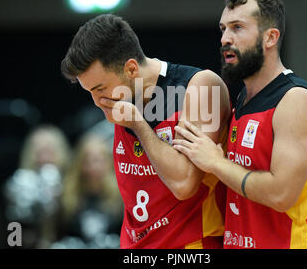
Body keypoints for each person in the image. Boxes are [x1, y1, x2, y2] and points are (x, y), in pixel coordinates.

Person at [173, 0, 307, 249]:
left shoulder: (296, 99)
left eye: (238, 27)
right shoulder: (242, 101)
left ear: (270, 37)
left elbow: (281, 193)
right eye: (223, 29)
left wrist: (216, 163)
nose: (225, 38)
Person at [61, 14, 231, 248]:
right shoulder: (124, 98)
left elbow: (184, 185)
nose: (97, 102)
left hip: (192, 246)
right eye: (90, 91)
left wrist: (138, 123)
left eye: (101, 89)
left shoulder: (201, 86)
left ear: (131, 69)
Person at [51, 132, 122, 248]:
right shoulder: (66, 194)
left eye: (98, 160)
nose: (92, 167)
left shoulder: (121, 195)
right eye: (87, 161)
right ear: (79, 163)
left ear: (109, 162)